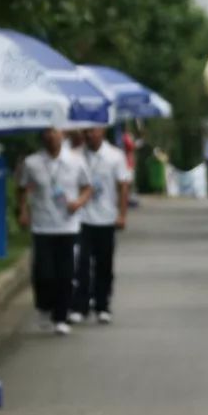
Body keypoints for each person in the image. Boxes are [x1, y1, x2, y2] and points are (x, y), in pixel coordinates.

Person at [16, 128, 92, 334]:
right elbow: (22, 188)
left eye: (56, 132)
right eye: (48, 132)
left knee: (66, 273)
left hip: (68, 225)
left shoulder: (76, 160)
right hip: (42, 225)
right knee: (44, 273)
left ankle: (61, 316)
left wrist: (79, 202)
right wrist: (22, 211)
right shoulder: (32, 162)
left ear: (63, 135)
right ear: (43, 136)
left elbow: (87, 187)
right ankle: (43, 306)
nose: (52, 136)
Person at [70, 126, 131, 324]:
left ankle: (103, 305)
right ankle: (81, 305)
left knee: (104, 264)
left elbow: (123, 186)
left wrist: (122, 214)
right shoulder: (76, 155)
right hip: (81, 218)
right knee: (82, 263)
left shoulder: (115, 156)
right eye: (86, 131)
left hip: (106, 218)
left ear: (102, 132)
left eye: (93, 131)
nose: (89, 135)